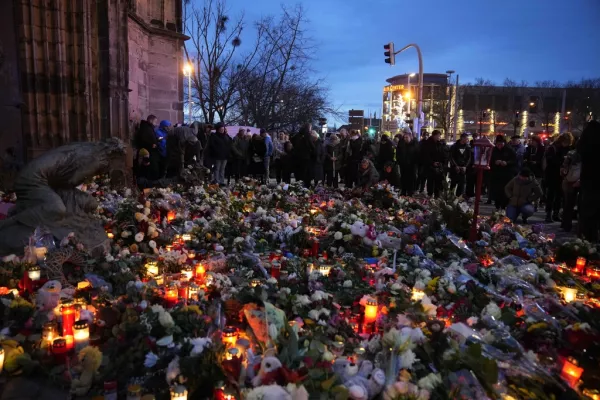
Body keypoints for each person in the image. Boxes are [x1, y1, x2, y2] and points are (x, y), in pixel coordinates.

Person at [577, 120, 600, 241]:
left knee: (587, 215)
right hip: (595, 182)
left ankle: (586, 240)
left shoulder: (585, 145)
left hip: (589, 182)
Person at [544, 134, 572, 222]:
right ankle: (548, 214)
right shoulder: (553, 148)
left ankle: (556, 213)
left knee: (559, 195)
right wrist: (561, 161)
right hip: (552, 174)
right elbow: (550, 160)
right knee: (551, 195)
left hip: (561, 175)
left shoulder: (567, 149)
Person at [489, 135, 517, 210]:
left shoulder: (509, 150)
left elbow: (514, 160)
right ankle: (497, 206)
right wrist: (495, 162)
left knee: (505, 191)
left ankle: (504, 206)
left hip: (507, 174)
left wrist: (507, 163)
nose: (499, 146)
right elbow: (489, 160)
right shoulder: (494, 150)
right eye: (498, 144)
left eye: (501, 144)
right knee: (496, 191)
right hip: (496, 174)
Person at [421, 130, 447, 198]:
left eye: (439, 136)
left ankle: (437, 195)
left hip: (439, 167)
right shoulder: (427, 143)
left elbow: (442, 154)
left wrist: (441, 163)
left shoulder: (440, 144)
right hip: (430, 167)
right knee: (430, 182)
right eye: (438, 136)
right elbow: (426, 155)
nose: (439, 137)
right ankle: (430, 194)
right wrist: (432, 163)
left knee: (438, 182)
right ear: (434, 136)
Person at [560, 148, 581, 233]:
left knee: (568, 204)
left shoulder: (570, 156)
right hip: (571, 181)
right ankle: (567, 224)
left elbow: (563, 170)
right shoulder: (580, 157)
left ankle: (566, 224)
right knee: (570, 204)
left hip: (570, 181)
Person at [134, 115, 160, 179]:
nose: (156, 123)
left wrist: (156, 140)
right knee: (147, 170)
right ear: (151, 120)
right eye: (155, 121)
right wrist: (151, 145)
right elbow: (143, 140)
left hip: (151, 152)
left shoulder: (149, 127)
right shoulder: (146, 128)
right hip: (147, 152)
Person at [396, 132, 419, 196]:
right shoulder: (401, 144)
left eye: (407, 137)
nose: (405, 139)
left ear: (410, 137)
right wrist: (399, 161)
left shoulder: (414, 144)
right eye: (404, 137)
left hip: (411, 166)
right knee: (403, 178)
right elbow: (398, 153)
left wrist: (415, 163)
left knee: (411, 179)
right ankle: (403, 191)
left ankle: (410, 192)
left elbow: (417, 155)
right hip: (403, 165)